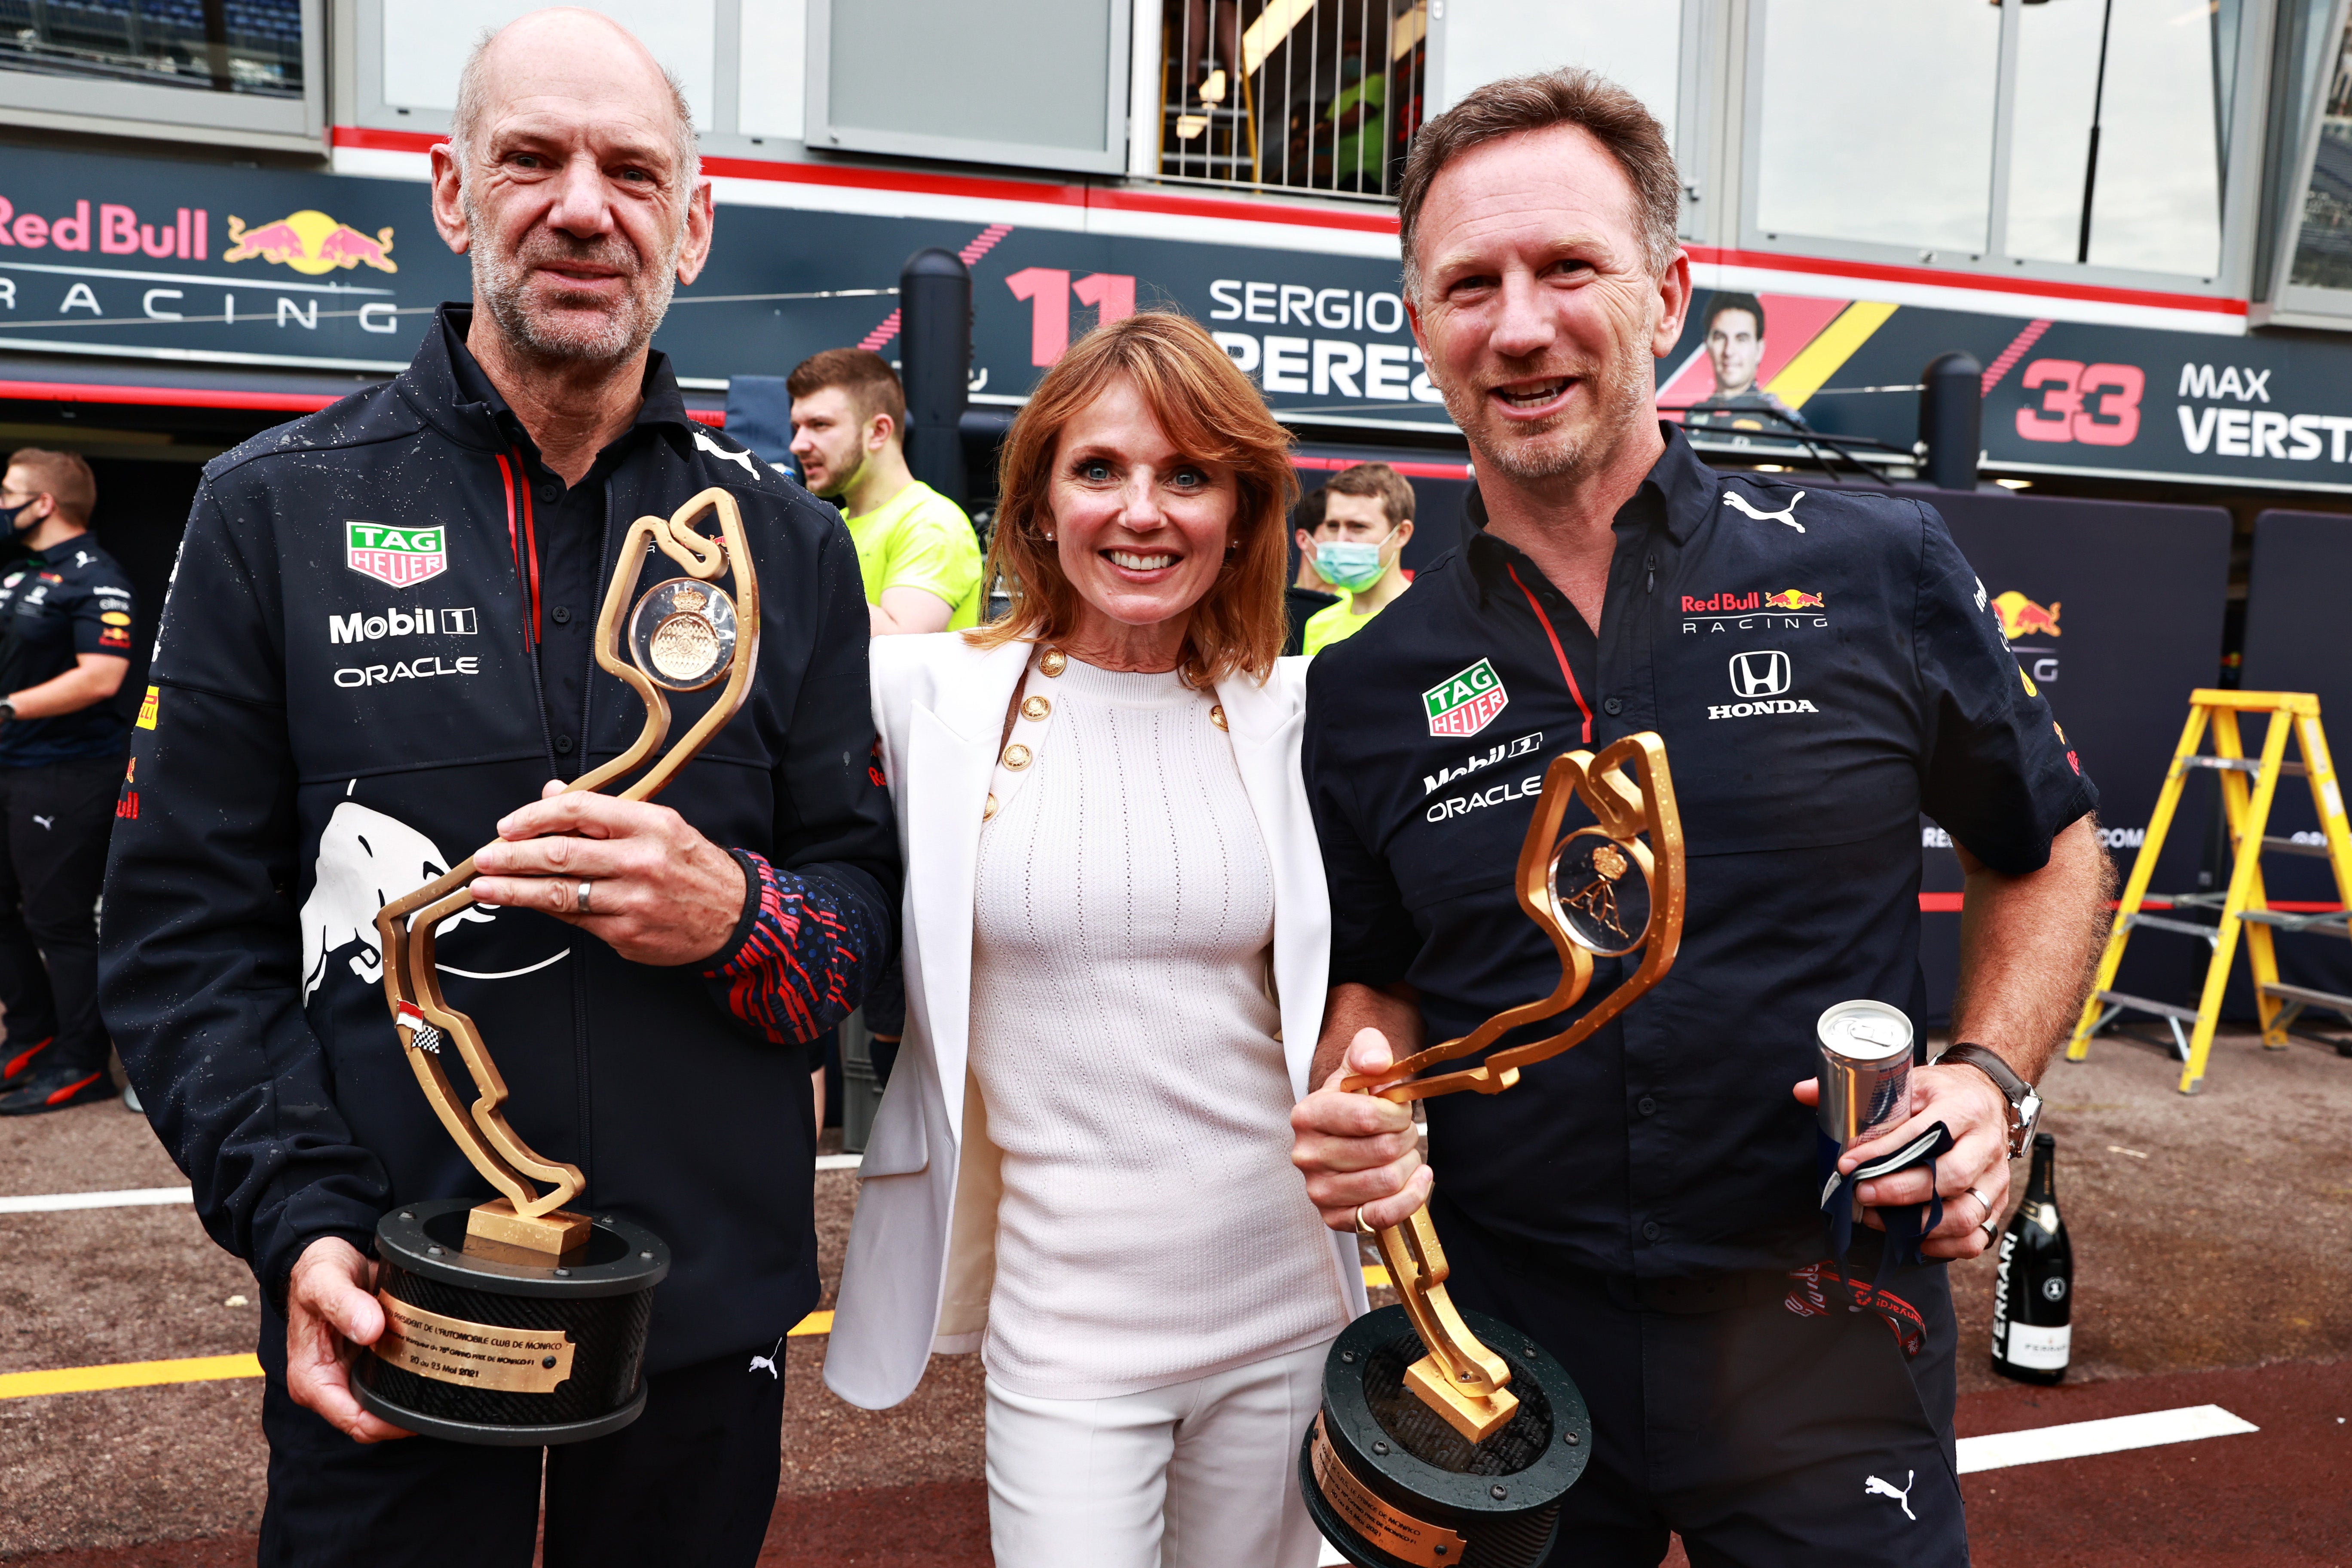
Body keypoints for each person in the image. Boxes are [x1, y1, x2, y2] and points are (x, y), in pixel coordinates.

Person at [97, 13, 899, 1566]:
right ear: (453, 196)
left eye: (632, 170)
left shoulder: (787, 549)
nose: (584, 206)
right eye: (531, 160)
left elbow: (864, 915)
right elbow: (179, 945)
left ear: (693, 216)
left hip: (701, 1312)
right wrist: (303, 1223)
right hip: (389, 1298)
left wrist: (738, 911)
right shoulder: (271, 508)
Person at [1289, 69, 2108, 1565]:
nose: (1519, 323)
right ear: (1420, 324)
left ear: (1666, 294)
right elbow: (1384, 973)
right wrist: (1360, 1091)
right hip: (1501, 1341)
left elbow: (2046, 848)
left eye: (1566, 269)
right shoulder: (1366, 680)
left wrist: (1990, 1077)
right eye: (1468, 283)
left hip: (1829, 1330)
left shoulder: (1875, 566)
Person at [824, 311, 1367, 1568]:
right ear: (1039, 498)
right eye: (1102, 470)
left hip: (1288, 1309)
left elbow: (1381, 974)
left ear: (1241, 509)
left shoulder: (1298, 716)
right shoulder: (925, 693)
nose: (1144, 511)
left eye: (1189, 475)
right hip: (1063, 1328)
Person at [0, 448, 134, 1115]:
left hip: (68, 773)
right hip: (13, 766)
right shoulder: (24, 573)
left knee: (59, 921)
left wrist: (8, 707)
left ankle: (82, 1063)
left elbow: (101, 676)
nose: (1, 503)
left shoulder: (96, 577)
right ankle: (28, 1039)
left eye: (8, 491)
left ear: (44, 503)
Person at [788, 347, 984, 635]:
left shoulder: (932, 522)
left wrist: (780, 582)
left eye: (820, 425)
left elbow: (901, 650)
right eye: (797, 427)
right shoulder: (832, 527)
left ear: (879, 431)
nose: (798, 444)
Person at [1300, 460, 1415, 655]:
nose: (1341, 540)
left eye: (1358, 527)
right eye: (1333, 526)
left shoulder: (1426, 619)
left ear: (1401, 534)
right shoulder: (1318, 625)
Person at [1685, 291, 1805, 432]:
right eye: (1720, 338)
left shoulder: (1780, 423)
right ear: (1707, 345)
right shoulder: (1695, 414)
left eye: (1741, 339)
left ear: (1759, 350)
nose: (1729, 351)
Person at [1284, 484, 1337, 656]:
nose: (1346, 540)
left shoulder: (1361, 607)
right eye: (1334, 528)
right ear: (1303, 539)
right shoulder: (1271, 606)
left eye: (1357, 528)